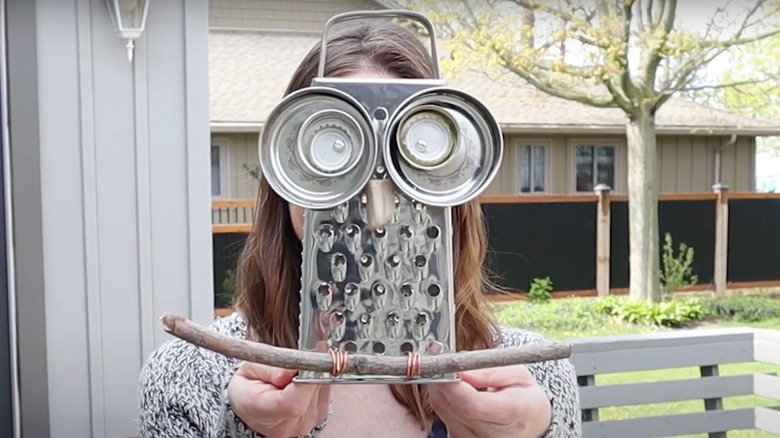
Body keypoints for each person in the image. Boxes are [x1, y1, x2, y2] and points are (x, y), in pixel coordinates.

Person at [137, 18, 582, 438]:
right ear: (287, 171)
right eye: (335, 152)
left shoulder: (533, 382)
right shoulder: (188, 373)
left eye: (407, 154)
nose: (375, 199)